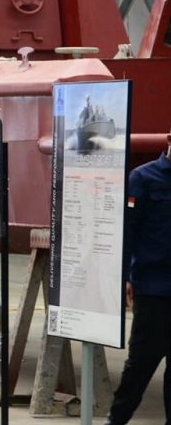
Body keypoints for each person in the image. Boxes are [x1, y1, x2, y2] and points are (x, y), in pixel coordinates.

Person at [103, 132, 171, 425]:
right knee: (140, 365)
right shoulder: (143, 178)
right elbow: (126, 231)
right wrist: (124, 277)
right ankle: (116, 420)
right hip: (153, 290)